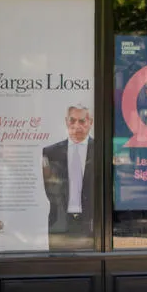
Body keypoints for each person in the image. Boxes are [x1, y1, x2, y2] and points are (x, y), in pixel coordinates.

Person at [42, 103, 94, 251]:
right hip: (58, 220)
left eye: (82, 121)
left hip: (91, 221)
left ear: (90, 122)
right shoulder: (50, 152)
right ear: (66, 121)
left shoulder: (100, 150)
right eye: (72, 120)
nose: (76, 125)